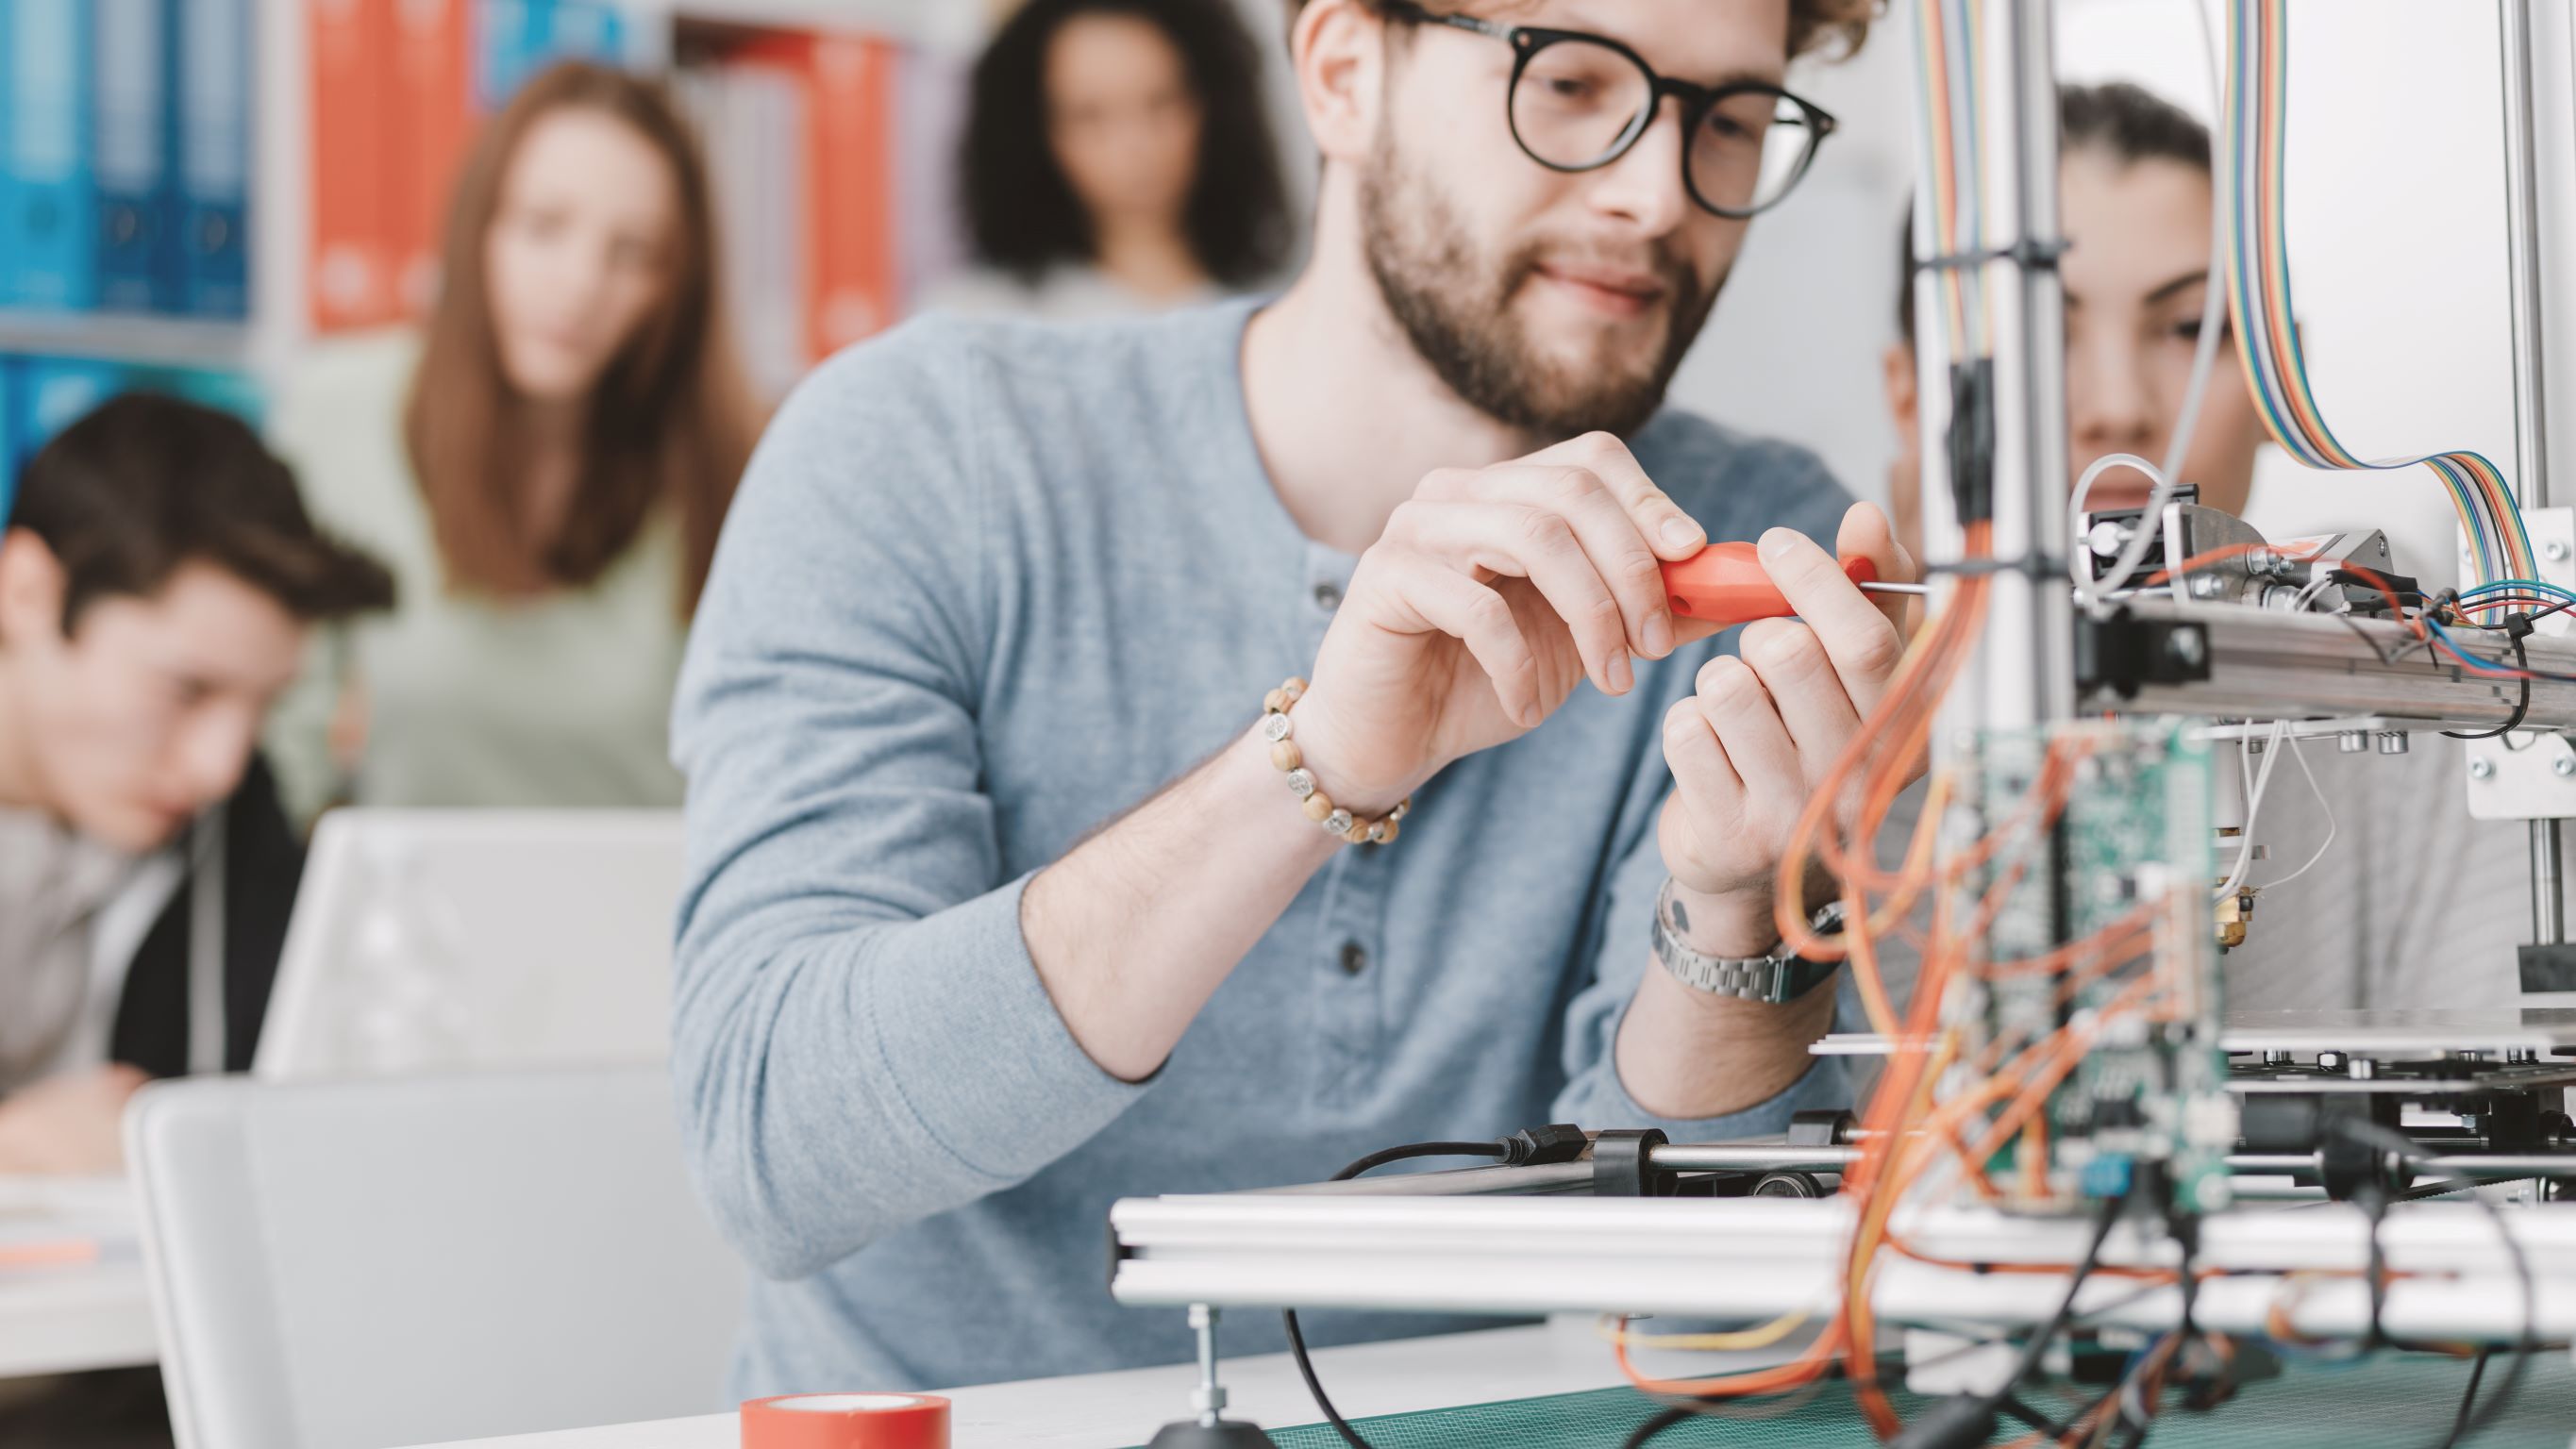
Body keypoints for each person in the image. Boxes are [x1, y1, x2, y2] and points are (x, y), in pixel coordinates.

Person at [673, 0, 1893, 1396]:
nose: (1655, 191)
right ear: (1340, 72)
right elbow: (776, 1151)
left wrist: (1739, 927)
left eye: (1727, 120)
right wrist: (1313, 766)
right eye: (1569, 84)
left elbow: (1701, 1331)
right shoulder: (919, 449)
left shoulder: (1753, 544)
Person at [1878, 81, 2527, 1013]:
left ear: (2280, 387)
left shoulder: (2413, 672)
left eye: (2189, 328)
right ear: (1913, 399)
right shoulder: (1843, 746)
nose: (2118, 406)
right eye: (2036, 330)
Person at [264, 61, 760, 824]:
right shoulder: (340, 412)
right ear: (478, 229)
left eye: (631, 253)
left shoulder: (735, 467)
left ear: (674, 286)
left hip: (647, 928)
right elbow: (282, 744)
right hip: (401, 924)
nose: (579, 284)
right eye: (543, 227)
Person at [0, 394, 393, 1174]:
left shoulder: (237, 822)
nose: (220, 765)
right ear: (26, 595)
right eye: (186, 691)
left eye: (264, 704)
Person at [932, 0, 1294, 318]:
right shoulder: (981, 318)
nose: (1135, 145)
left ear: (1210, 106)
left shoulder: (1285, 308)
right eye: (1090, 116)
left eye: (1161, 102)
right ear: (1036, 134)